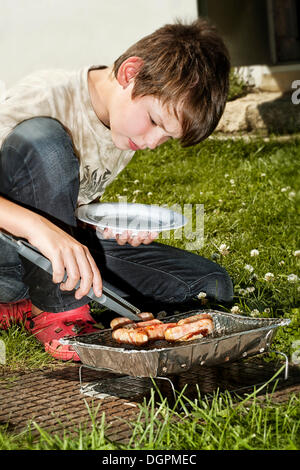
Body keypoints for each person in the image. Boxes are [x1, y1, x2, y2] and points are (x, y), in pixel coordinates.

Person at [0, 18, 233, 361]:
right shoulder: (45, 96)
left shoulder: (123, 126)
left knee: (208, 285)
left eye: (167, 137)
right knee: (44, 141)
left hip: (44, 263)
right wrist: (40, 229)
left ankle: (21, 306)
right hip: (8, 254)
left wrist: (99, 226)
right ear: (130, 74)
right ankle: (60, 314)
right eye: (155, 122)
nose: (153, 142)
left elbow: (55, 199)